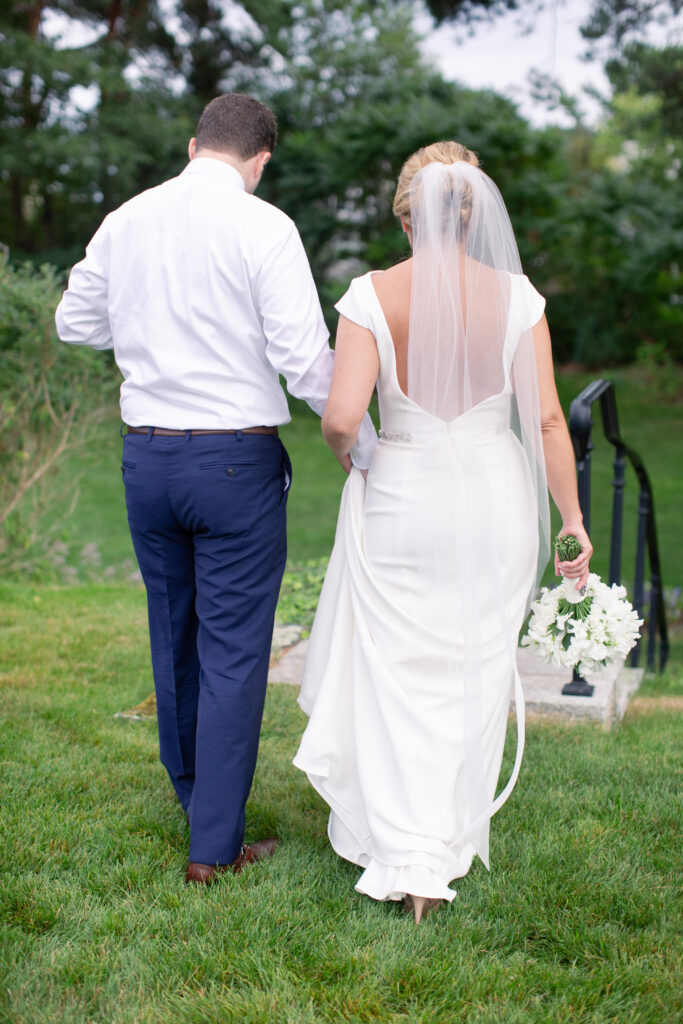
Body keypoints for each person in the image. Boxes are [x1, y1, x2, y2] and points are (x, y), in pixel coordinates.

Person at [55, 93, 376, 884]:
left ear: (194, 143)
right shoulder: (264, 227)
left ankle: (198, 803)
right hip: (233, 462)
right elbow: (304, 359)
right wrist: (364, 445)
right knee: (233, 652)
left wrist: (144, 325)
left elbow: (74, 321)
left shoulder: (126, 217)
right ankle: (212, 847)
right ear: (259, 159)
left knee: (175, 640)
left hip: (148, 460)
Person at [293, 141, 592, 923]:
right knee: (474, 664)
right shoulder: (518, 297)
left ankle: (406, 850)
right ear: (473, 213)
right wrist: (570, 521)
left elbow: (340, 419)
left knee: (395, 668)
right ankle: (440, 846)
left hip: (402, 495)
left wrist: (354, 456)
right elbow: (550, 419)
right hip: (495, 499)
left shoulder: (369, 294)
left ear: (403, 212)